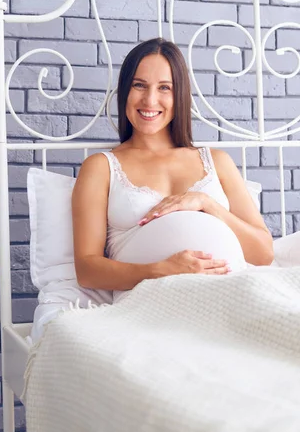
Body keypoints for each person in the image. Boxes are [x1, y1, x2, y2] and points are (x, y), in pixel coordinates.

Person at [72, 38, 273, 298]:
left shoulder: (217, 161)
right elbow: (87, 270)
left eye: (164, 87)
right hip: (153, 302)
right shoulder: (101, 167)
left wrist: (205, 203)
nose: (150, 99)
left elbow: (264, 254)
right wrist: (161, 270)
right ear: (125, 91)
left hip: (232, 293)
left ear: (179, 95)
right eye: (139, 85)